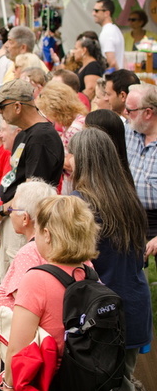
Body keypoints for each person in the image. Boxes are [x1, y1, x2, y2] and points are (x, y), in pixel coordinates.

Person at [69, 128, 152, 389]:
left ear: (82, 159)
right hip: (133, 304)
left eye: (71, 154)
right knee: (123, 379)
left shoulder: (79, 203)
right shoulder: (129, 198)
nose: (67, 160)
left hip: (101, 313)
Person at [4, 195, 99, 389]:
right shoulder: (90, 273)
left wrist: (7, 385)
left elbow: (17, 349)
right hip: (87, 377)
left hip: (50, 379)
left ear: (47, 233)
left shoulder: (37, 279)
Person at [0, 79, 64, 276]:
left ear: (17, 106)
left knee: (18, 282)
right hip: (13, 218)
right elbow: (15, 179)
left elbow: (32, 195)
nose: (0, 112)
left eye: (2, 106)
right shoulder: (24, 135)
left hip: (27, 220)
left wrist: (2, 211)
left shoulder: (42, 137)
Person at [0, 179, 57, 318]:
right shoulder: (58, 244)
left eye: (12, 209)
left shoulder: (29, 253)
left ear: (25, 218)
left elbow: (26, 308)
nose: (10, 214)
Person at [124, 84, 157, 248]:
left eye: (130, 110)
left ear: (148, 113)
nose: (125, 114)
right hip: (130, 214)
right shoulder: (128, 130)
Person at [72, 33, 106, 101]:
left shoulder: (93, 66)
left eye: (76, 49)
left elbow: (90, 90)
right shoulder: (83, 66)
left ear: (84, 50)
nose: (73, 52)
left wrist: (75, 102)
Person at [93, 0, 124, 70]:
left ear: (107, 13)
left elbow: (111, 61)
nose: (93, 14)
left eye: (96, 11)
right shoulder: (115, 29)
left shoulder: (107, 32)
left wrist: (117, 77)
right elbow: (123, 58)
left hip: (114, 78)